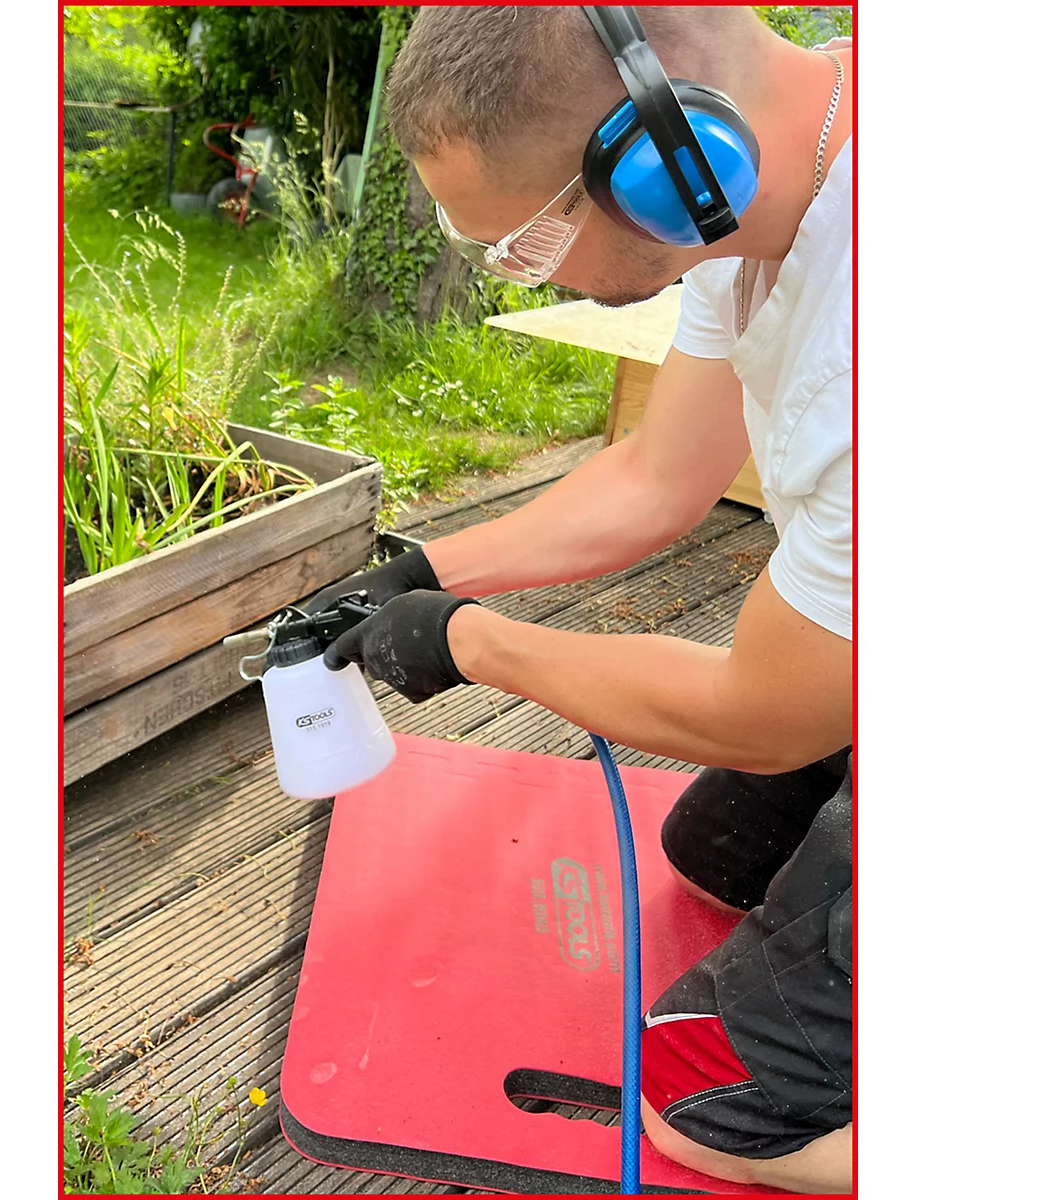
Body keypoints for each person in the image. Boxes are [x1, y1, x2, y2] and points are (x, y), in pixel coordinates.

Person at [304, 6, 852, 1192]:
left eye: (523, 245)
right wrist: (430, 573)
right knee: (710, 856)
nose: (514, 271)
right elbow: (659, 479)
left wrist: (476, 647)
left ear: (662, 161)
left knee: (708, 1108)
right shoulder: (744, 220)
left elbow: (770, 712)